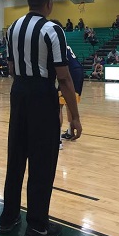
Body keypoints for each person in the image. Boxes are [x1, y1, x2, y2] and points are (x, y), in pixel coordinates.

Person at [0, 0, 82, 236]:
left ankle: (8, 219)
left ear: (27, 1)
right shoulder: (52, 28)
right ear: (49, 3)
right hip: (42, 95)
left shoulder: (13, 27)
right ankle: (37, 225)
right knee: (42, 162)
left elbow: (11, 68)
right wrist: (75, 116)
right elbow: (64, 78)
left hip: (18, 93)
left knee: (16, 158)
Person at [51, 20, 84, 150]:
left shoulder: (55, 43)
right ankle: (70, 132)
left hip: (71, 73)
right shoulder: (64, 43)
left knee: (58, 106)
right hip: (78, 71)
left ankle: (57, 140)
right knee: (70, 103)